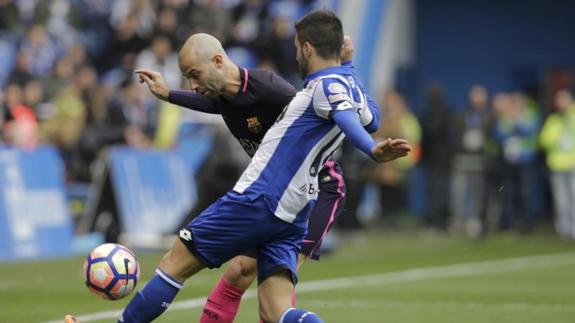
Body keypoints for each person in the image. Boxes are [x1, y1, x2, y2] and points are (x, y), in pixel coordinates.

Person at [66, 10, 411, 323]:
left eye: (295, 47)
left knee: (175, 264)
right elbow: (368, 117)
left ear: (306, 48)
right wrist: (349, 65)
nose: (292, 54)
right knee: (276, 311)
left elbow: (342, 114)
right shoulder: (344, 85)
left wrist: (370, 150)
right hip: (295, 209)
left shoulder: (314, 87)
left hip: (265, 195)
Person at [132, 31, 377, 323]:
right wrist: (168, 94)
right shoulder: (225, 96)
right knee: (240, 273)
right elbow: (215, 105)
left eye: (194, 75)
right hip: (275, 192)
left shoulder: (270, 89)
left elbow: (317, 110)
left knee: (272, 287)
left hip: (318, 189)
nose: (193, 85)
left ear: (219, 61)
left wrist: (346, 71)